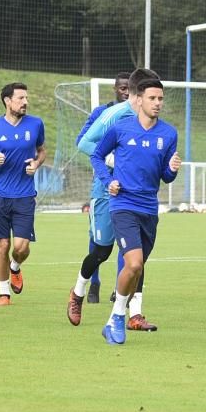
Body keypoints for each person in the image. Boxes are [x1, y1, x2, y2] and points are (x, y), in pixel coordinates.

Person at [90, 76, 180, 345]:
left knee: (136, 270)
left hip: (149, 209)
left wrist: (172, 170)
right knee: (134, 263)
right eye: (152, 98)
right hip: (123, 205)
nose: (157, 103)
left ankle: (112, 321)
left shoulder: (169, 134)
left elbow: (166, 176)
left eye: (161, 98)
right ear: (138, 100)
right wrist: (109, 181)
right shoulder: (120, 128)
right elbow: (96, 155)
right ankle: (119, 317)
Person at [68, 69, 156, 326]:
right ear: (136, 95)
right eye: (150, 96)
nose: (156, 102)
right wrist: (114, 160)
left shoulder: (151, 123)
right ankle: (78, 292)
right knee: (102, 250)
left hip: (136, 196)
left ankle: (135, 313)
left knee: (136, 256)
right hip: (107, 192)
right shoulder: (114, 116)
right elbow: (84, 143)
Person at [0, 82, 46, 306]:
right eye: (20, 98)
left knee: (21, 247)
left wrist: (36, 163)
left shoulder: (36, 124)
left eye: (26, 98)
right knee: (3, 245)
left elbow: (42, 151)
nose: (25, 102)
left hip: (24, 195)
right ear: (7, 101)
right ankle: (4, 293)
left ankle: (15, 266)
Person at [75, 72, 131, 303]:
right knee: (98, 241)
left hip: (129, 186)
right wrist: (109, 159)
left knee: (126, 239)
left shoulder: (140, 116)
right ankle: (93, 282)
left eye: (130, 88)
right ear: (115, 89)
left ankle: (120, 288)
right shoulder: (103, 114)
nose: (126, 92)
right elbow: (84, 140)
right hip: (104, 183)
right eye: (122, 88)